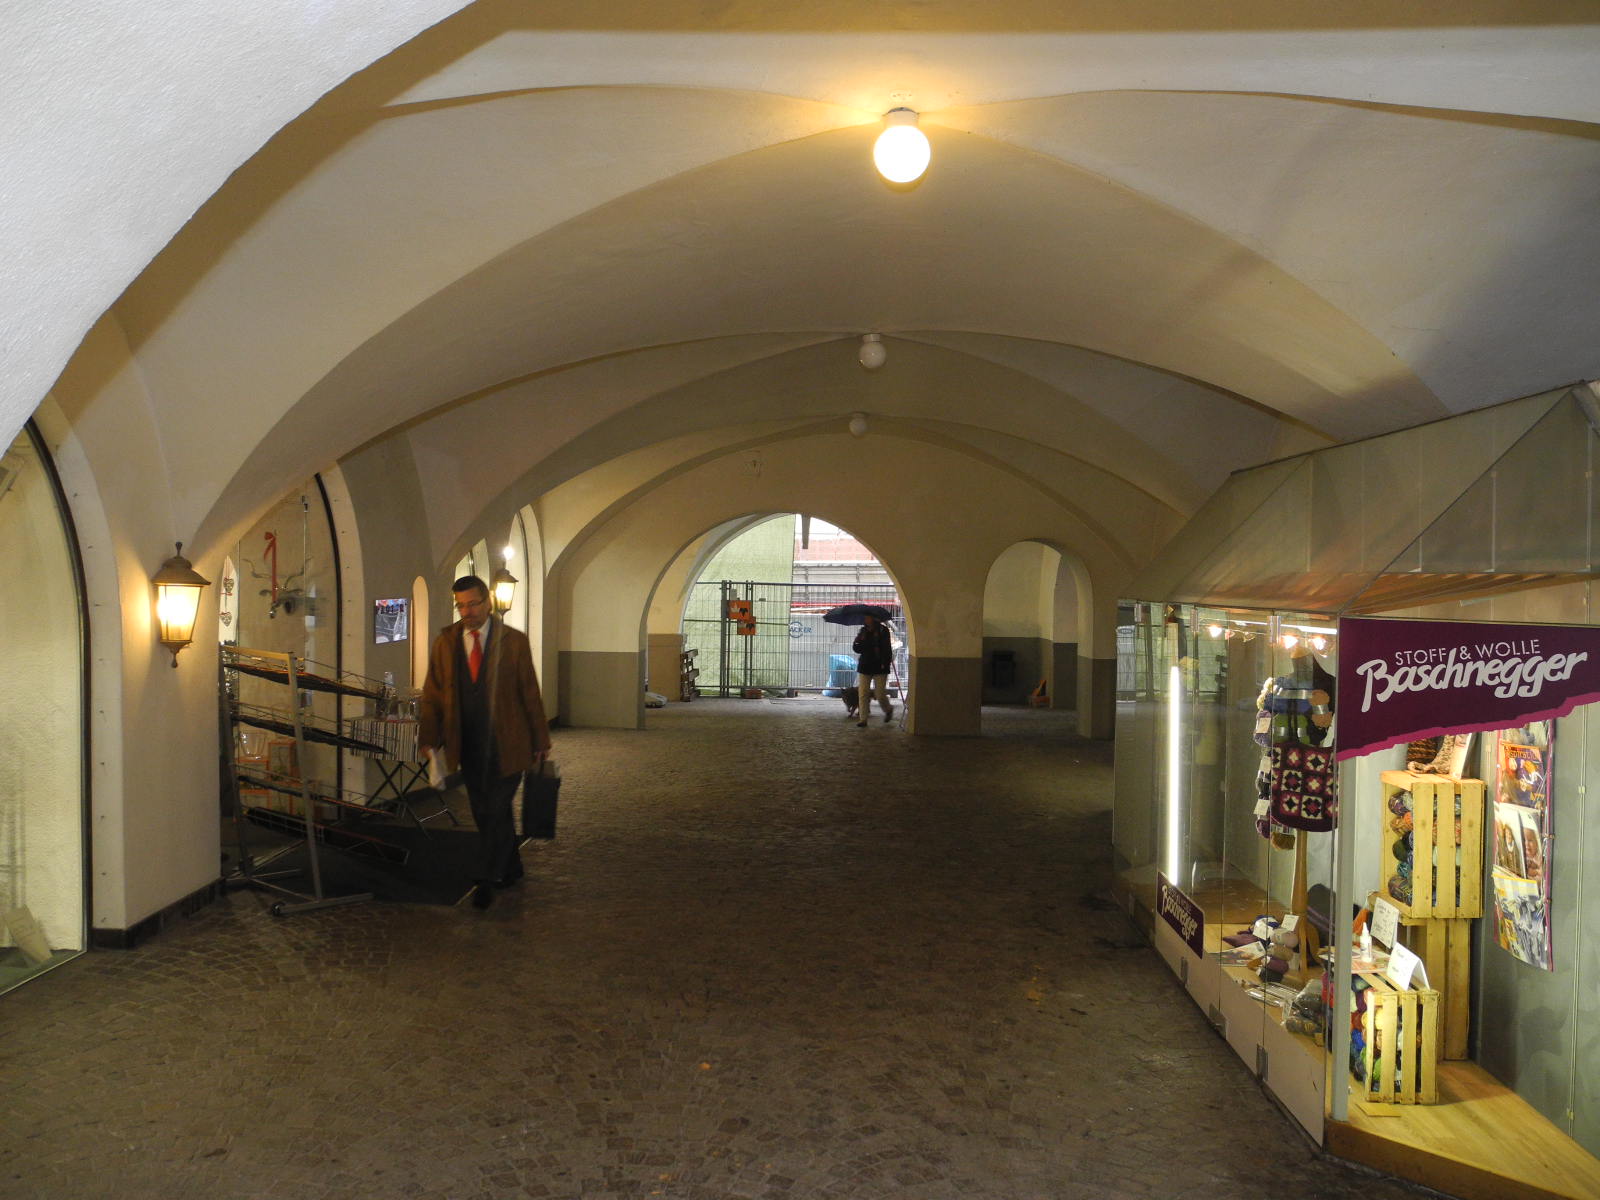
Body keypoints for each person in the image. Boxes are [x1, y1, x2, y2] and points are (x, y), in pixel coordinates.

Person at [419, 575, 552, 909]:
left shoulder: (513, 641)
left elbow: (529, 691)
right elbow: (432, 692)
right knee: (484, 808)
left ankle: (488, 875)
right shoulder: (446, 642)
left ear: (487, 602)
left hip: (510, 740)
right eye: (461, 606)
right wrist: (429, 737)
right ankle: (511, 866)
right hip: (468, 742)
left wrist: (540, 738)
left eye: (473, 604)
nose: (468, 612)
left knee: (494, 806)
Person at [853, 611, 895, 727]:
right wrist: (857, 642)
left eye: (868, 617)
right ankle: (863, 719)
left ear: (874, 618)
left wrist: (885, 663)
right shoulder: (863, 631)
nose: (865, 620)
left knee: (879, 694)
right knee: (863, 693)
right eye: (865, 617)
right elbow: (857, 649)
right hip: (865, 666)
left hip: (880, 667)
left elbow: (887, 649)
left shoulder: (883, 631)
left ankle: (888, 709)